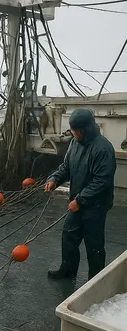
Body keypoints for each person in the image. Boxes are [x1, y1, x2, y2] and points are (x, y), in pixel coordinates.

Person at [45, 108, 116, 280]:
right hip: (78, 202)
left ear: (87, 129)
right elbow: (67, 167)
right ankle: (68, 270)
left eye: (78, 131)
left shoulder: (103, 149)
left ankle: (95, 280)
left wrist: (80, 200)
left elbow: (101, 181)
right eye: (73, 131)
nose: (75, 134)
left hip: (96, 205)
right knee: (69, 235)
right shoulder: (75, 143)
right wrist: (55, 179)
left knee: (94, 245)